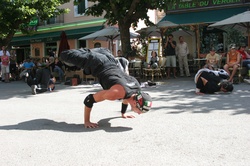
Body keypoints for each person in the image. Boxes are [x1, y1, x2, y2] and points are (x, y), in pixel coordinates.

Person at [60, 47, 152, 128]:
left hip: (108, 55)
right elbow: (89, 99)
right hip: (96, 62)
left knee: (84, 53)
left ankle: (85, 51)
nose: (140, 113)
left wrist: (123, 113)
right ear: (135, 103)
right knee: (64, 56)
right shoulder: (115, 93)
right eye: (140, 111)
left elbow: (127, 97)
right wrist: (87, 122)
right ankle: (83, 52)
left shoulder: (136, 89)